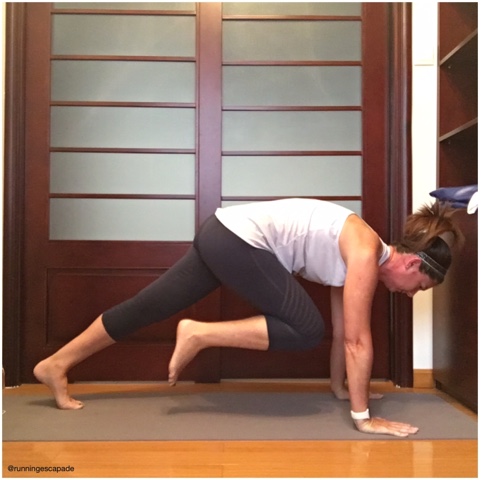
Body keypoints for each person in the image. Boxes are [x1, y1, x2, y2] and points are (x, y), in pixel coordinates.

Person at [34, 198, 462, 437]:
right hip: (237, 240)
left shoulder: (360, 251)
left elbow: (343, 333)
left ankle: (55, 364)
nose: (411, 295)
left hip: (221, 232)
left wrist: (342, 389)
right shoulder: (366, 252)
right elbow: (357, 342)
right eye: (419, 287)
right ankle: (198, 333)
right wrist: (364, 418)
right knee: (304, 328)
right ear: (412, 264)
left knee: (147, 306)